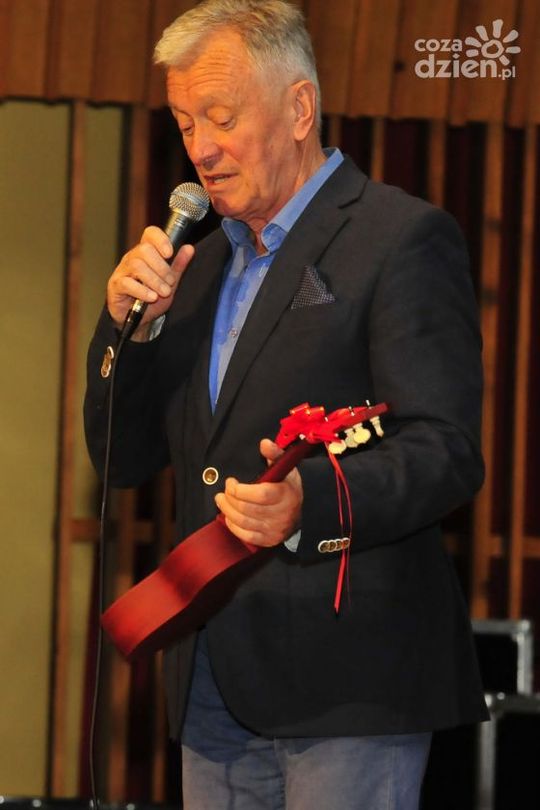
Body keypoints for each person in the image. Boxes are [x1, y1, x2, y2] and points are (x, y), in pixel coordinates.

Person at [84, 1, 488, 807]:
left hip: (350, 682)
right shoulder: (195, 268)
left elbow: (445, 448)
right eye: (184, 122)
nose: (200, 147)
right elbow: (122, 461)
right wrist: (131, 330)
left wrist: (311, 500)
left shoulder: (397, 238)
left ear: (299, 108)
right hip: (210, 676)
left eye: (222, 117)